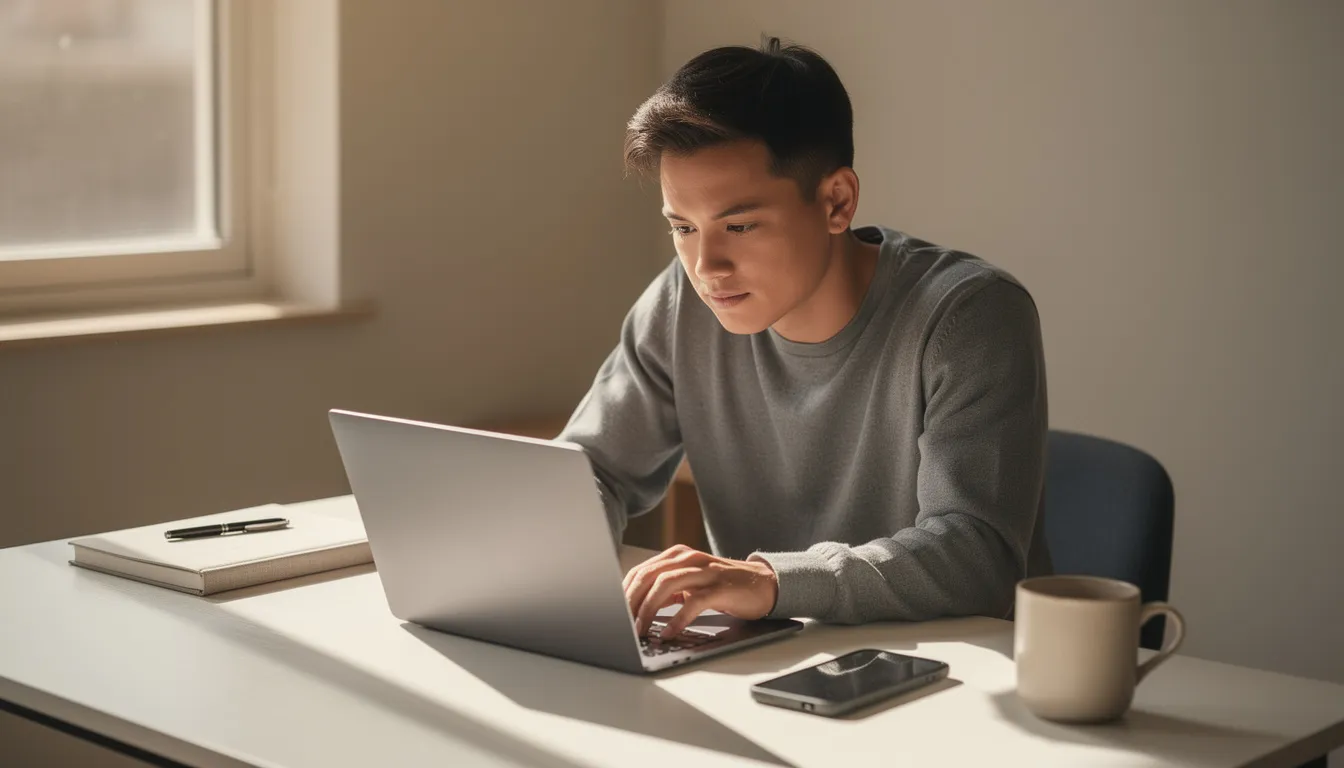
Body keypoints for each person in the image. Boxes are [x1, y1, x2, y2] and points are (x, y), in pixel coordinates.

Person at [557, 37, 1051, 641]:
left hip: (951, 678)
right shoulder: (683, 302)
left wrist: (769, 581)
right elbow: (594, 469)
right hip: (762, 662)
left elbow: (977, 556)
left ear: (837, 201)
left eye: (739, 225)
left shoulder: (969, 315)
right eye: (683, 227)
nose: (706, 266)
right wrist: (549, 567)